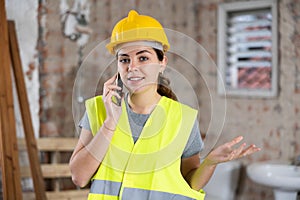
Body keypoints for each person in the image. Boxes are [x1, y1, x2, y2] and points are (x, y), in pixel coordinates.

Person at [69, 10, 261, 200]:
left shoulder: (182, 118)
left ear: (162, 63)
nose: (132, 67)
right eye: (124, 59)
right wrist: (110, 122)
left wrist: (210, 163)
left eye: (143, 58)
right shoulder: (98, 109)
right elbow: (79, 177)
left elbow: (189, 182)